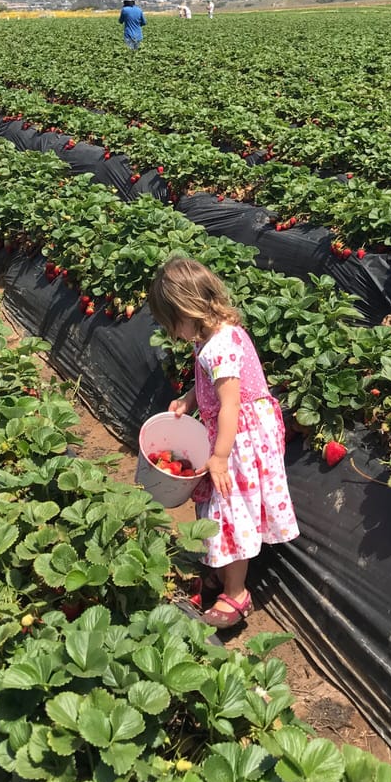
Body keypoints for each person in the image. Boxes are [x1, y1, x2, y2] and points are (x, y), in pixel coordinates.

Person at [148, 256, 299, 628]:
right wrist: (188, 399)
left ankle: (237, 593)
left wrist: (219, 457)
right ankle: (221, 568)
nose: (175, 335)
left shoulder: (221, 346)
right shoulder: (212, 337)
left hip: (242, 438)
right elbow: (213, 386)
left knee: (231, 510)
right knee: (220, 505)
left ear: (189, 309)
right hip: (236, 433)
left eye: (174, 325)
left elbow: (231, 404)